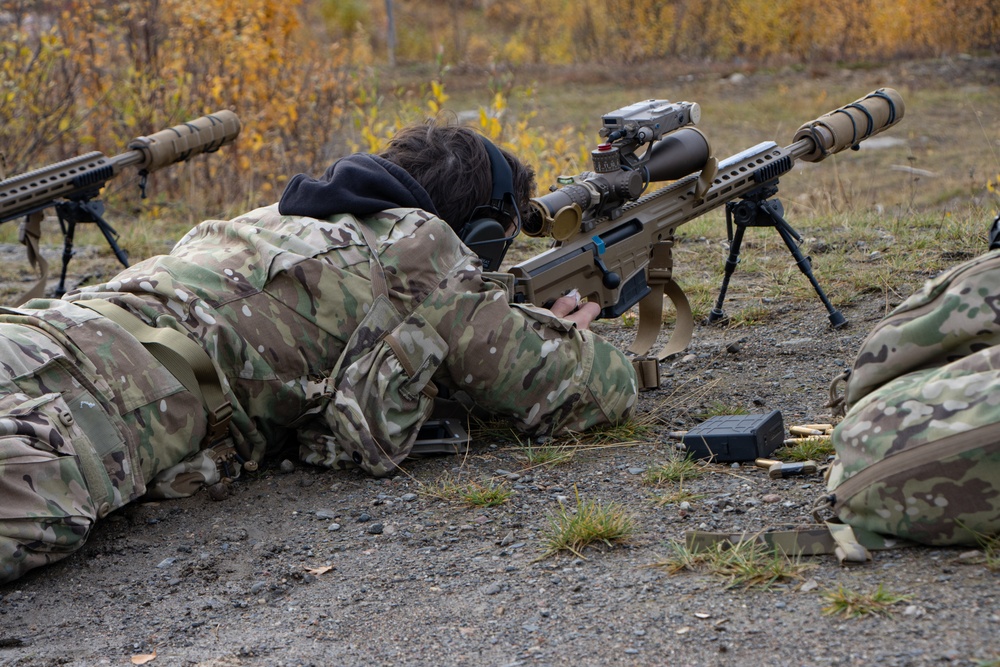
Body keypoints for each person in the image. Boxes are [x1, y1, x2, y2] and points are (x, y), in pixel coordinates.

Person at [0, 121, 638, 583]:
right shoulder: (424, 248)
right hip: (89, 406)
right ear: (470, 233)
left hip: (38, 334)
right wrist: (568, 333)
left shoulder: (270, 217)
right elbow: (592, 389)